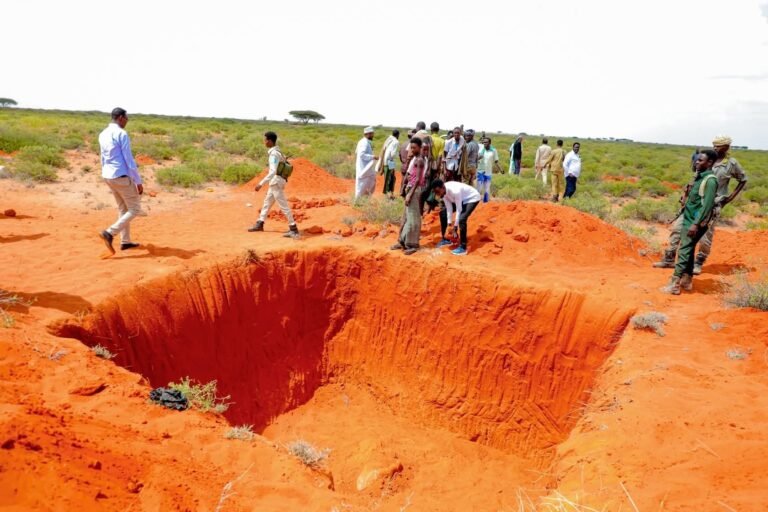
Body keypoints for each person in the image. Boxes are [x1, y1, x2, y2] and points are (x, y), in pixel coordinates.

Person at [653, 136, 748, 273]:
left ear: (726, 147)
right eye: (714, 145)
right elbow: (695, 176)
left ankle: (698, 262)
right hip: (693, 203)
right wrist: (686, 195)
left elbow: (743, 179)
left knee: (705, 236)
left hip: (711, 205)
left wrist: (729, 198)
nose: (715, 148)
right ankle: (669, 259)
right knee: (677, 229)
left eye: (719, 146)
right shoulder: (707, 159)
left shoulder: (731, 164)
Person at [662, 150, 719, 295]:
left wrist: (695, 224)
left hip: (695, 221)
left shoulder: (710, 180)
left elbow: (707, 205)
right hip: (688, 218)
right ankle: (686, 281)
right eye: (697, 159)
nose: (696, 162)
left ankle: (674, 284)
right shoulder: (699, 177)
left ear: (710, 162)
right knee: (688, 249)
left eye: (700, 160)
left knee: (684, 250)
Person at [98, 107, 144, 255]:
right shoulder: (121, 133)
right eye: (126, 117)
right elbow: (129, 159)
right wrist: (138, 181)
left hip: (108, 175)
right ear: (120, 118)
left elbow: (102, 157)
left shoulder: (103, 133)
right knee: (135, 209)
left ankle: (125, 242)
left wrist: (105, 172)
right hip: (120, 176)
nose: (127, 120)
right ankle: (110, 233)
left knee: (123, 209)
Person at [248, 131, 299, 238]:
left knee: (283, 205)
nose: (264, 142)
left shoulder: (274, 154)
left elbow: (272, 171)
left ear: (270, 141)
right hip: (276, 181)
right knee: (267, 203)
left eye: (265, 140)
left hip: (276, 181)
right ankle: (260, 223)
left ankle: (293, 229)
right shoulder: (278, 152)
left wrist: (261, 184)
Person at [391, 137, 428, 255]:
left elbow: (417, 180)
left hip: (414, 190)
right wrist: (404, 188)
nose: (412, 150)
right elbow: (408, 175)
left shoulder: (420, 160)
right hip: (410, 188)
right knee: (407, 216)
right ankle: (403, 241)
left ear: (420, 148)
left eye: (414, 148)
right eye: (411, 148)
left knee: (413, 218)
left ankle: (412, 244)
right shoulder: (415, 159)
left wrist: (410, 194)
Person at [433, 179, 481, 256]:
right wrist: (449, 225)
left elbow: (459, 209)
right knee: (443, 213)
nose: (437, 194)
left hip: (472, 198)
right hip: (461, 200)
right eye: (435, 192)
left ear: (443, 187)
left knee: (462, 219)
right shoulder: (443, 193)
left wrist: (455, 227)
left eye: (438, 192)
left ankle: (463, 247)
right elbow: (449, 208)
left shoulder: (455, 191)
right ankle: (446, 239)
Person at [355, 126, 379, 200]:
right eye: (372, 134)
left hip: (365, 167)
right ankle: (359, 202)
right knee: (362, 185)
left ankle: (364, 200)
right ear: (368, 134)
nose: (373, 135)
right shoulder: (364, 143)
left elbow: (356, 152)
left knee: (368, 183)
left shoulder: (362, 141)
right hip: (363, 168)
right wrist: (373, 157)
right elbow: (361, 154)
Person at [377, 129, 401, 198]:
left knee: (388, 178)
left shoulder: (389, 139)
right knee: (390, 178)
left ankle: (389, 194)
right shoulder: (396, 141)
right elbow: (393, 155)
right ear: (398, 135)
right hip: (390, 162)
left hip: (385, 161)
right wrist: (399, 154)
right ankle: (388, 195)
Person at [476, 137, 498, 202]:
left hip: (488, 172)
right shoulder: (480, 149)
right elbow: (475, 158)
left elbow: (496, 160)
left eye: (486, 142)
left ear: (490, 143)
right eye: (484, 142)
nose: (484, 143)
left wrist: (500, 169)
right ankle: (476, 202)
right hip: (480, 171)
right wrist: (478, 158)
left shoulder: (493, 150)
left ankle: (486, 203)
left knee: (487, 189)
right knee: (479, 188)